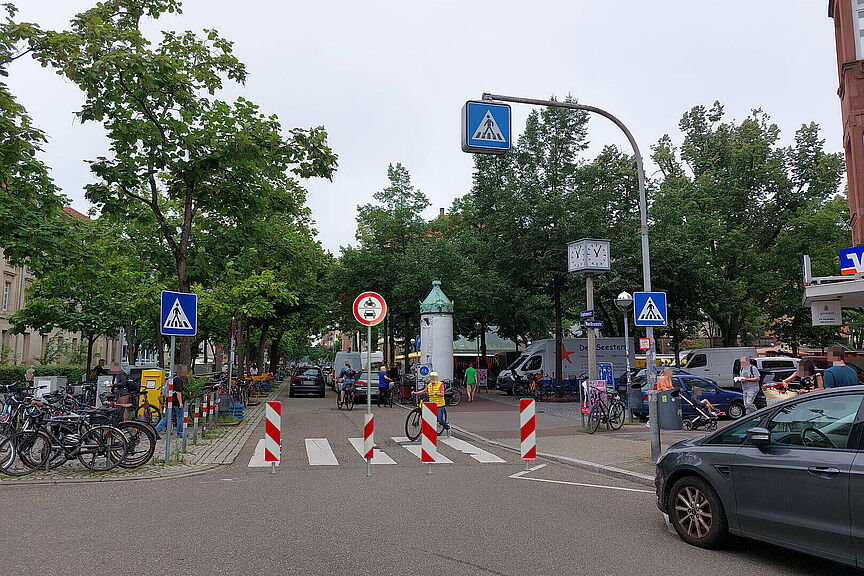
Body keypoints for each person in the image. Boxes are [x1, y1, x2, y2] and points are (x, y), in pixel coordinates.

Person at [155, 364, 186, 439]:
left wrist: (166, 402)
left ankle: (155, 431)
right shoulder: (178, 380)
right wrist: (181, 403)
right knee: (180, 416)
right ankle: (180, 433)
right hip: (176, 402)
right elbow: (178, 392)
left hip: (169, 401)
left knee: (166, 418)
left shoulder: (168, 380)